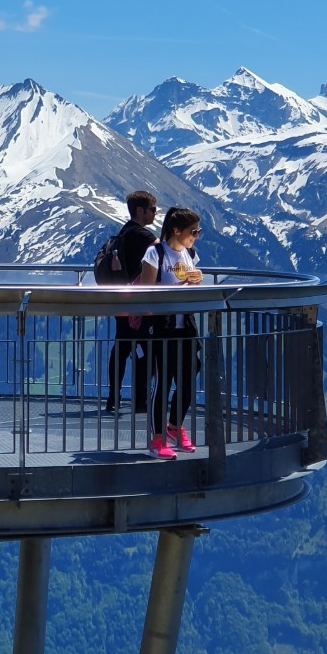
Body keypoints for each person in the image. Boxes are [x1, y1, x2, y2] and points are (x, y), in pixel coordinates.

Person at [139, 206, 203, 460]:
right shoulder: (155, 254)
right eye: (193, 231)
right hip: (161, 328)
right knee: (163, 383)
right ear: (177, 230)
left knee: (187, 381)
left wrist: (197, 281)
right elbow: (145, 291)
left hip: (185, 327)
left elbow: (192, 288)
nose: (195, 236)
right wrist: (185, 284)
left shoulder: (190, 254)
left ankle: (174, 427)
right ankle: (157, 439)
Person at [105, 190, 158, 412]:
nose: (155, 214)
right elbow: (166, 252)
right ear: (141, 211)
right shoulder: (144, 237)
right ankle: (141, 400)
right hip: (140, 302)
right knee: (145, 350)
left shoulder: (123, 233)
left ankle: (113, 397)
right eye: (152, 210)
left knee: (122, 347)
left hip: (121, 299)